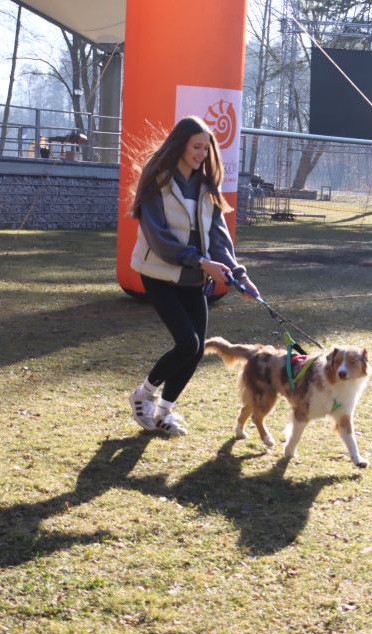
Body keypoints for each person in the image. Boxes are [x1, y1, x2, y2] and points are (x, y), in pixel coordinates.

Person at [127, 116, 260, 436]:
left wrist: (240, 276)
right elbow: (159, 239)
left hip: (192, 277)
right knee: (187, 343)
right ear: (181, 145)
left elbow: (218, 237)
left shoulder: (205, 186)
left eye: (206, 147)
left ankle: (163, 413)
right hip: (158, 273)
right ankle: (142, 396)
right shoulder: (156, 178)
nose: (202, 153)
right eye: (196, 146)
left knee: (196, 349)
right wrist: (202, 262)